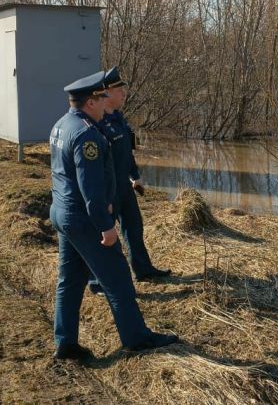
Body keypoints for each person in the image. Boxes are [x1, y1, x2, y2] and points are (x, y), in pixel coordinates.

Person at [48, 71, 178, 360]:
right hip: (84, 220)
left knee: (69, 279)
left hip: (62, 213)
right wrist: (106, 227)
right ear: (91, 102)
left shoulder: (62, 124)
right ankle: (136, 338)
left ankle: (65, 343)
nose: (106, 100)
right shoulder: (86, 135)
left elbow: (60, 175)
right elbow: (90, 189)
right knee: (118, 277)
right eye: (102, 96)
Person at [88, 67, 170, 296]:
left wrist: (135, 176)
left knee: (134, 227)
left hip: (124, 186)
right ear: (106, 92)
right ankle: (97, 282)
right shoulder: (98, 123)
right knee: (105, 235)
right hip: (108, 189)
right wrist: (103, 196)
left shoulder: (119, 118)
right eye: (120, 90)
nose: (124, 94)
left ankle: (143, 270)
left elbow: (127, 152)